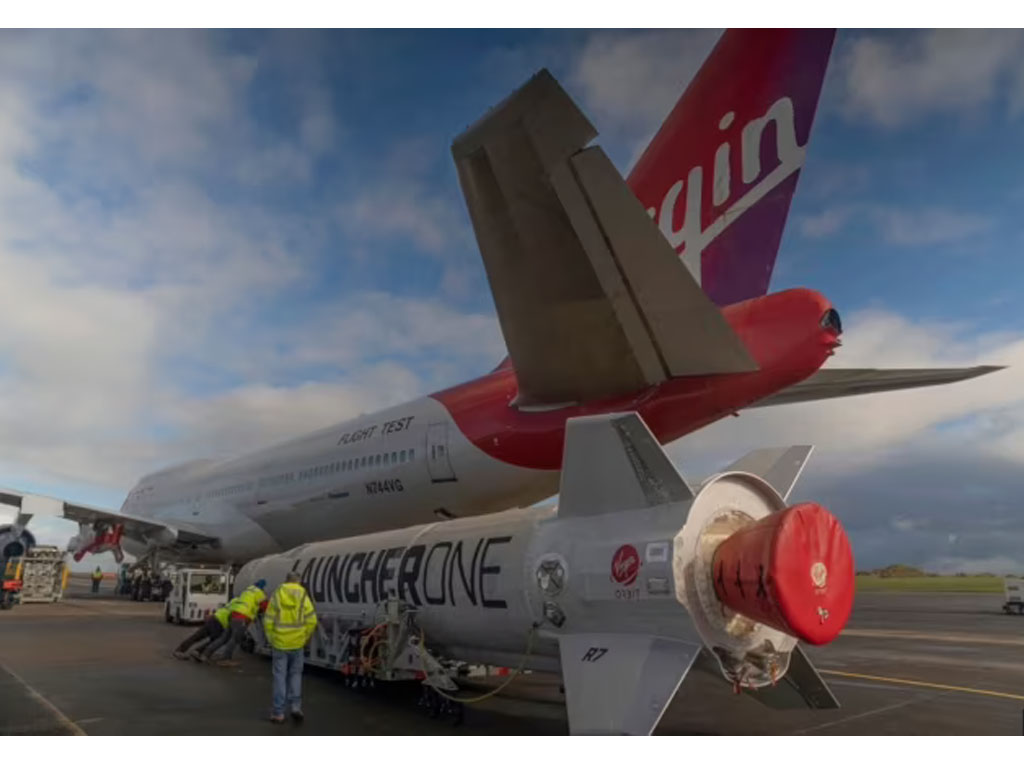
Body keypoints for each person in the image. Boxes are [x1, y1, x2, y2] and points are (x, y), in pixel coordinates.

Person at [263, 571, 318, 724]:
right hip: (297, 644)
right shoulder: (303, 596)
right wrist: (305, 637)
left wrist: (271, 638)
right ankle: (295, 707)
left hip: (280, 643)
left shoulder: (277, 595)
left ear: (286, 581)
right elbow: (312, 620)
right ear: (298, 582)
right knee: (295, 676)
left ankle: (278, 713)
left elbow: (268, 620)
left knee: (280, 677)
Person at [201, 580, 268, 666]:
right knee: (235, 639)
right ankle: (225, 659)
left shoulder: (247, 591)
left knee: (224, 638)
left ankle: (205, 654)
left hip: (233, 615)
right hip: (242, 617)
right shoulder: (259, 593)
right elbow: (265, 607)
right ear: (262, 587)